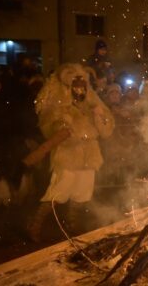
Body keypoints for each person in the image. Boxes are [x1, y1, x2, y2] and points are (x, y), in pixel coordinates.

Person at [27, 63, 115, 242]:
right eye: (76, 86)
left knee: (82, 192)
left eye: (82, 86)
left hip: (89, 153)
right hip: (68, 154)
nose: (79, 90)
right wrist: (60, 126)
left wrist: (99, 116)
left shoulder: (93, 103)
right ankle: (34, 225)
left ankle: (71, 226)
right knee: (59, 191)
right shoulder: (60, 105)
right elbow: (48, 124)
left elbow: (107, 129)